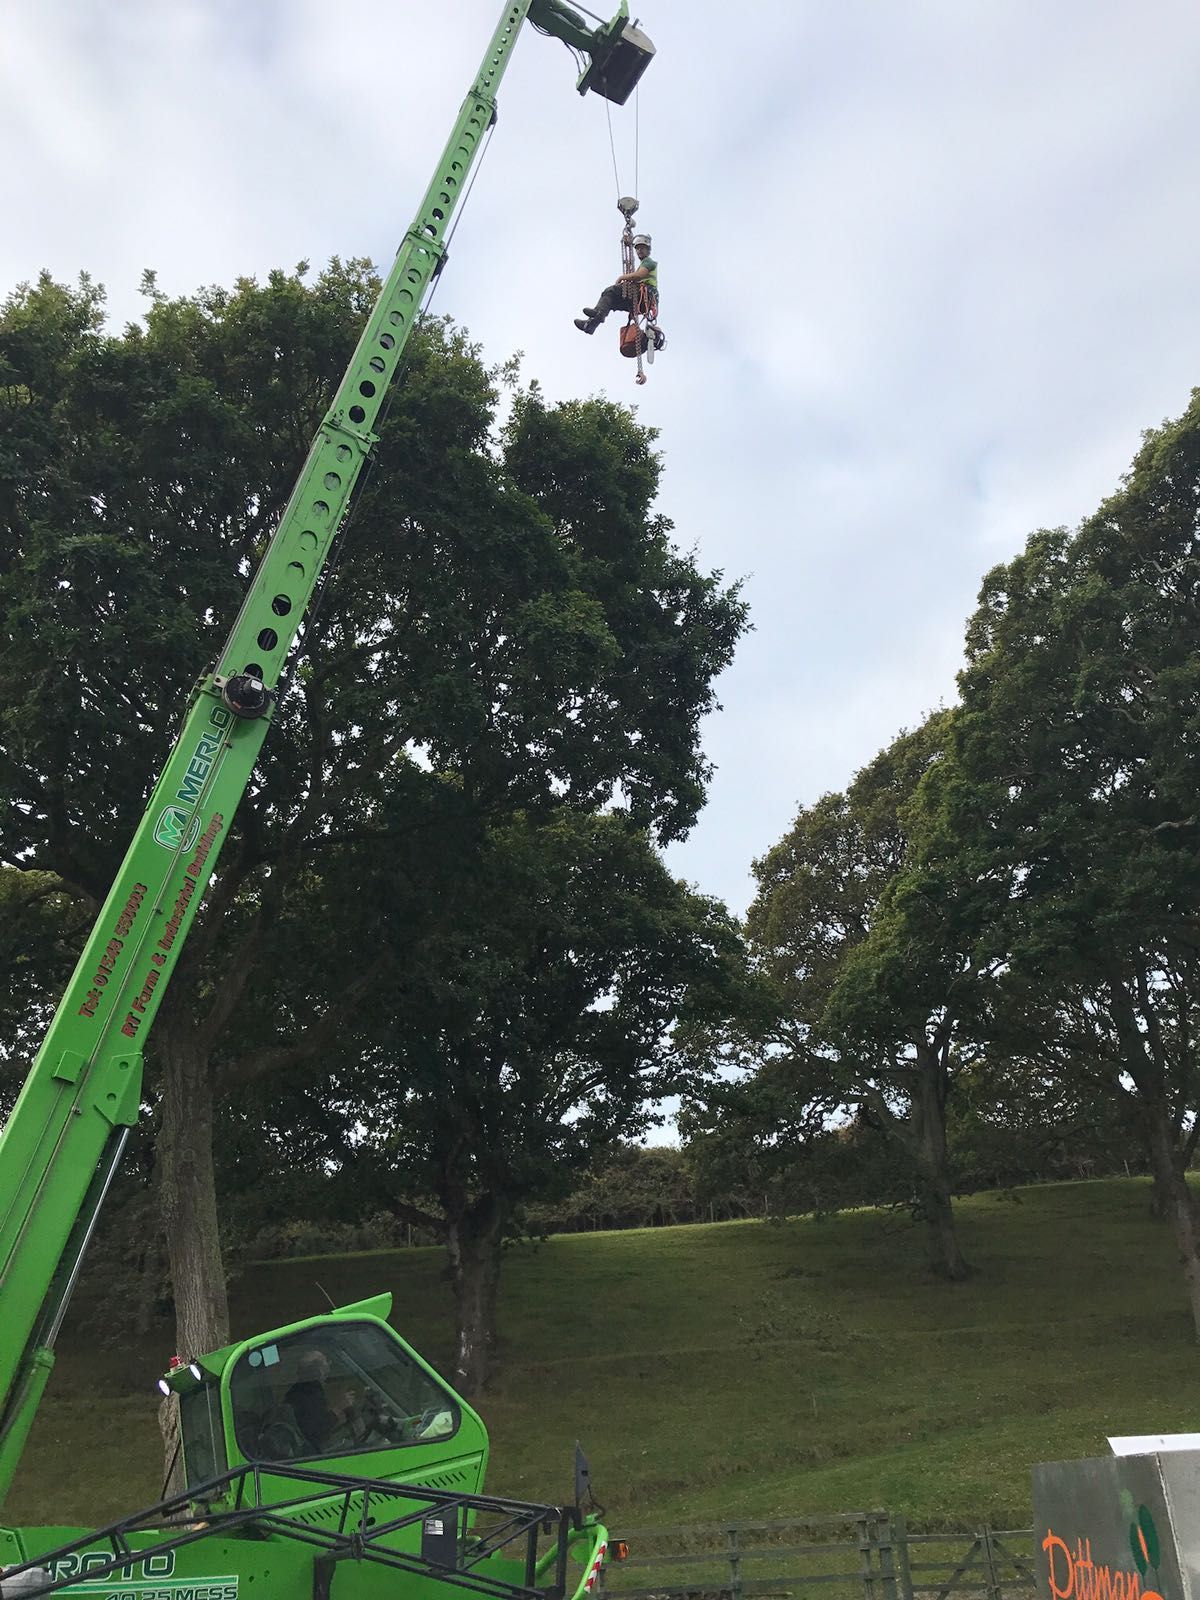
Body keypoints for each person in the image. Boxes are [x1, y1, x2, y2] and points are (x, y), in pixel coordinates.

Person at [574, 233, 658, 334]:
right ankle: (590, 325)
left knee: (610, 291)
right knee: (610, 302)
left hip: (645, 296)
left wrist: (622, 277)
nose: (639, 250)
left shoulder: (649, 262)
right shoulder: (643, 264)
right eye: (637, 248)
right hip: (642, 302)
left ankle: (598, 313)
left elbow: (639, 275)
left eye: (642, 248)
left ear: (648, 250)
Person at [284, 1347, 356, 1452]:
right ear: (318, 1370)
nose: (330, 1363)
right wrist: (340, 1407)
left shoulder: (299, 1390)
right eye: (326, 1361)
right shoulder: (308, 1394)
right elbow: (317, 1432)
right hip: (317, 1450)